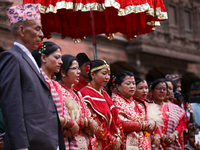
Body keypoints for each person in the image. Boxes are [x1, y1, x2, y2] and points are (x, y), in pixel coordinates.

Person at [0, 4, 65, 150]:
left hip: (46, 142)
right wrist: (21, 146)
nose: (42, 34)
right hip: (31, 144)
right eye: (37, 28)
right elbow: (12, 107)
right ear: (22, 30)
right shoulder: (12, 57)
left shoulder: (28, 59)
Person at [32, 42, 80, 149]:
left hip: (61, 136)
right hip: (46, 137)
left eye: (61, 58)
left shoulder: (55, 84)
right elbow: (42, 113)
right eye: (57, 57)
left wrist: (68, 127)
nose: (61, 62)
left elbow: (64, 111)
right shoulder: (37, 81)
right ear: (43, 58)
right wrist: (71, 124)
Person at [55, 54, 98, 149]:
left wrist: (89, 121)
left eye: (79, 69)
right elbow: (64, 118)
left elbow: (88, 115)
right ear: (63, 72)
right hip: (70, 142)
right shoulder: (57, 90)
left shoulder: (76, 93)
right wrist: (87, 122)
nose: (79, 72)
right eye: (74, 69)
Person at [80, 59, 124, 150]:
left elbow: (116, 119)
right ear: (92, 74)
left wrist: (118, 137)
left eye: (108, 74)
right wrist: (111, 139)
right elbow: (94, 121)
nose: (107, 77)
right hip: (96, 141)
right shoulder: (85, 93)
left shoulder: (105, 94)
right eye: (104, 74)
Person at [112, 71, 157, 149]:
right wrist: (143, 125)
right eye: (128, 84)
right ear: (118, 86)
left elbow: (150, 121)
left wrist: (152, 122)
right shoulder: (114, 102)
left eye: (133, 83)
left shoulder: (139, 103)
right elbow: (119, 123)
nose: (132, 86)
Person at [151, 78, 185, 149]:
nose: (162, 91)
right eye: (159, 88)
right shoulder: (147, 106)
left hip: (171, 145)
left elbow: (180, 124)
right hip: (153, 143)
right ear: (152, 91)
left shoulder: (175, 108)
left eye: (165, 89)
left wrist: (174, 135)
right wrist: (160, 136)